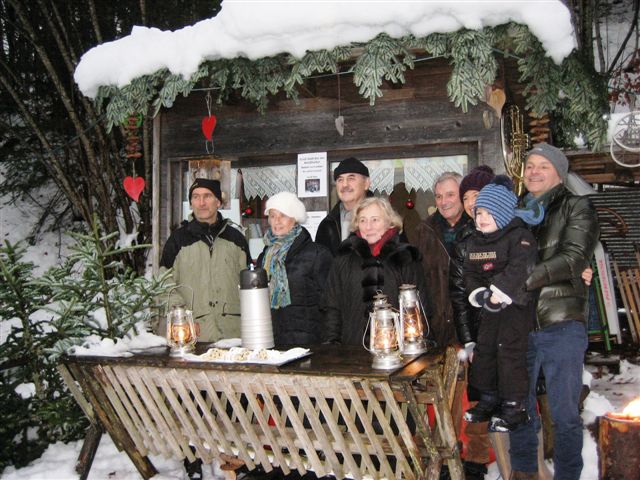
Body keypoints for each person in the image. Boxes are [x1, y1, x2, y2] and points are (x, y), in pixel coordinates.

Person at [509, 143, 600, 480]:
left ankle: (567, 474)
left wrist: (521, 279)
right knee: (518, 407)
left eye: (543, 166)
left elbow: (574, 257)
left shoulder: (578, 206)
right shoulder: (515, 212)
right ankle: (524, 472)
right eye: (530, 165)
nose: (533, 171)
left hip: (560, 323)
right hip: (519, 324)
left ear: (559, 174)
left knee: (564, 412)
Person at [462, 176, 542, 433]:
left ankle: (513, 406)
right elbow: (470, 272)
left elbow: (521, 267)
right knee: (485, 351)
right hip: (489, 308)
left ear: (504, 213)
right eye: (479, 213)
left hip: (515, 308)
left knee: (510, 353)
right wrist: (479, 294)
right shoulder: (475, 241)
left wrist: (498, 293)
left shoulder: (519, 237)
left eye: (489, 213)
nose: (482, 218)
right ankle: (488, 398)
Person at [323, 197, 427, 345]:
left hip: (398, 350)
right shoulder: (343, 260)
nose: (368, 226)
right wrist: (333, 346)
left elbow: (420, 308)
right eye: (363, 220)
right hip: (352, 349)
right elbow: (332, 308)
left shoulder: (405, 258)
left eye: (375, 220)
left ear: (389, 222)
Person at [160, 178, 250, 342]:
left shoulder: (236, 239)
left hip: (233, 334)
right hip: (193, 335)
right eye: (196, 197)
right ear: (191, 203)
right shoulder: (177, 240)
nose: (201, 203)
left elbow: (249, 287)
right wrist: (182, 317)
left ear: (218, 202)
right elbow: (163, 285)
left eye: (207, 196)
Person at [449, 165, 496, 479]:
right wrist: (469, 339)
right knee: (478, 397)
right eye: (465, 197)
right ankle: (477, 459)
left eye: (475, 195)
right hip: (478, 333)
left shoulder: (514, 233)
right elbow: (459, 295)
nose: (469, 203)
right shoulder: (463, 242)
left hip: (512, 332)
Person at [256, 192, 333, 347]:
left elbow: (330, 303)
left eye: (283, 215)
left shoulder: (317, 254)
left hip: (308, 341)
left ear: (295, 218)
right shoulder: (265, 257)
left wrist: (330, 342)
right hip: (271, 338)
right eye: (272, 216)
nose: (277, 221)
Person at [415, 171, 470, 349]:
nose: (444, 202)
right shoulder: (424, 230)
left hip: (469, 326)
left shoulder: (477, 227)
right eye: (438, 196)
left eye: (450, 195)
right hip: (435, 327)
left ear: (462, 195)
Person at [316, 157, 372, 256]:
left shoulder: (383, 218)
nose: (345, 184)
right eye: (340, 180)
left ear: (366, 184)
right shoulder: (327, 225)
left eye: (351, 178)